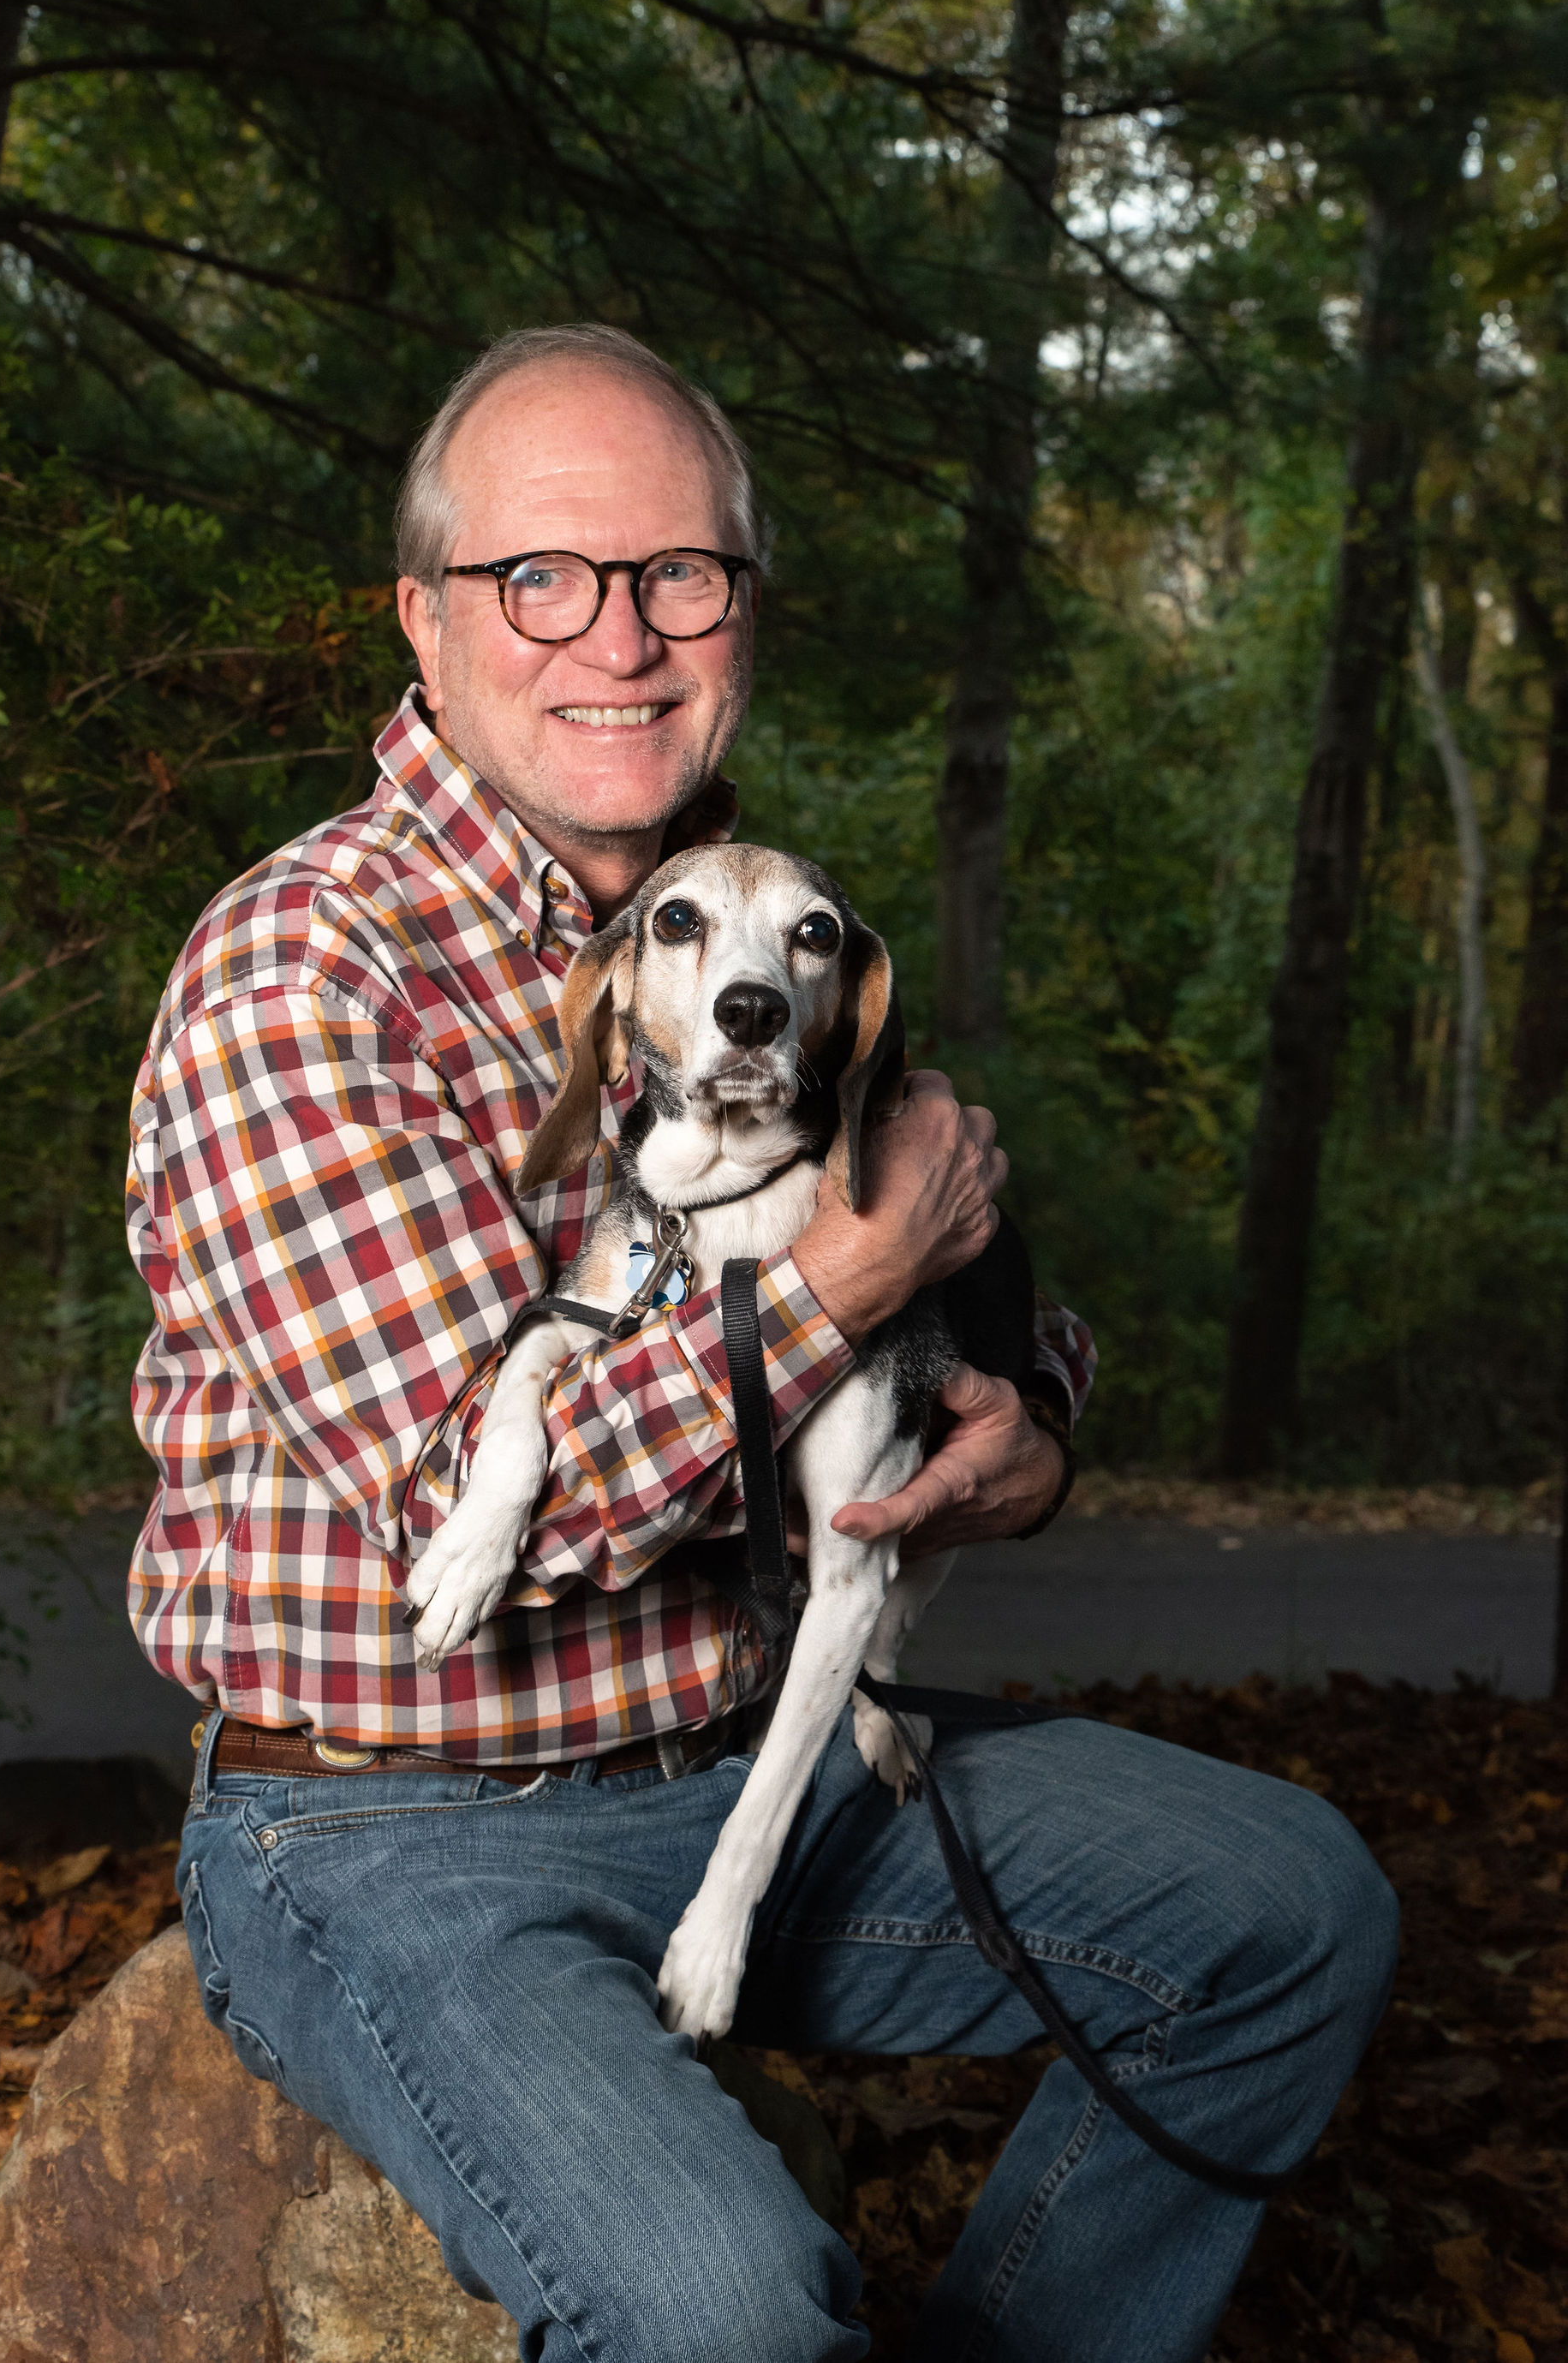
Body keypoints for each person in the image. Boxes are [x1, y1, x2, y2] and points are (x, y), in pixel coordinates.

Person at [128, 324, 1397, 2363]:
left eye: (677, 576)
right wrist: (847, 1287)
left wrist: (1026, 1429)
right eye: (539, 577)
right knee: (721, 2307)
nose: (616, 638)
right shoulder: (304, 968)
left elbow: (974, 1274)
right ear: (424, 627)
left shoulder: (768, 926)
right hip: (387, 1827)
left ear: (740, 616)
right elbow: (501, 1511)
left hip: (745, 1762)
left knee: (1290, 1911)